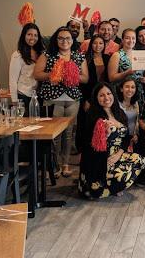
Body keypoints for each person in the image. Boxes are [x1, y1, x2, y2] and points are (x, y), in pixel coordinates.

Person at [34, 26, 89, 178]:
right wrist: (54, 74)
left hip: (72, 99)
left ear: (72, 40)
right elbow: (37, 74)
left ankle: (65, 164)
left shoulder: (78, 56)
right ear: (56, 40)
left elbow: (85, 78)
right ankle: (54, 166)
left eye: (68, 38)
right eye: (61, 38)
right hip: (52, 99)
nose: (64, 41)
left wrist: (70, 75)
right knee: (53, 135)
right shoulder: (48, 54)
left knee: (69, 134)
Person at [78, 82, 145, 198]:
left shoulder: (119, 113)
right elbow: (87, 144)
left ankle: (114, 185)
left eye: (109, 93)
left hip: (117, 155)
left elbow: (126, 138)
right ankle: (110, 186)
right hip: (101, 158)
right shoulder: (92, 116)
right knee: (95, 192)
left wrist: (118, 155)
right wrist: (104, 135)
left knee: (139, 160)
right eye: (101, 95)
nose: (106, 98)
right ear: (96, 98)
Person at [77, 34, 105, 152]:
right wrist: (87, 99)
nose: (97, 46)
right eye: (95, 43)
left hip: (103, 97)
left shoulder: (108, 58)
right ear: (90, 44)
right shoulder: (85, 59)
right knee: (85, 123)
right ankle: (83, 150)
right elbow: (83, 83)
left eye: (101, 43)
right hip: (88, 96)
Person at [9, 23, 45, 114]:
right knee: (26, 127)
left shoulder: (41, 53)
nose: (32, 38)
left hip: (38, 95)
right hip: (23, 96)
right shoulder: (17, 55)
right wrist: (14, 101)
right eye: (29, 34)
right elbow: (12, 80)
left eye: (35, 35)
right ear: (23, 36)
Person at [108, 28, 145, 102]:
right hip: (122, 94)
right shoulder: (117, 55)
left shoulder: (139, 54)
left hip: (137, 93)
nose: (131, 41)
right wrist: (127, 73)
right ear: (122, 40)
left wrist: (141, 79)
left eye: (133, 38)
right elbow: (111, 78)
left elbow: (138, 74)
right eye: (127, 38)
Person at [117, 77, 140, 150]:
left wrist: (136, 134)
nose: (130, 90)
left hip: (133, 138)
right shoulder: (116, 104)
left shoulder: (136, 103)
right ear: (121, 89)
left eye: (133, 87)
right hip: (119, 138)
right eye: (127, 87)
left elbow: (136, 121)